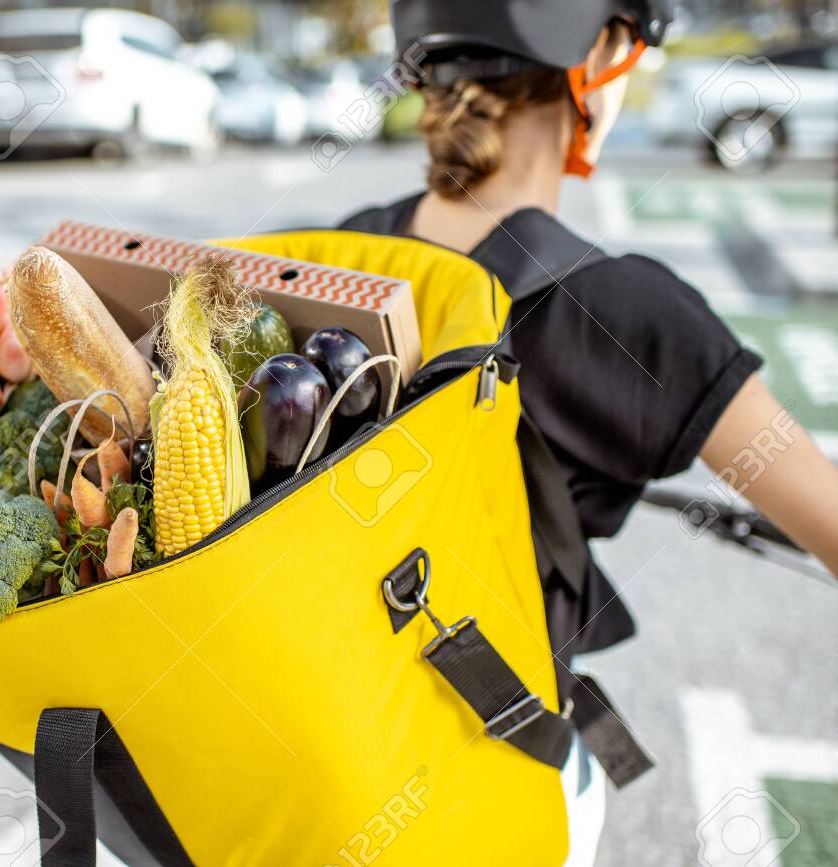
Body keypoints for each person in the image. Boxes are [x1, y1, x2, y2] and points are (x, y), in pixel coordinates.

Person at [340, 0, 838, 861]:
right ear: (599, 49)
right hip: (493, 793)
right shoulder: (627, 312)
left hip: (338, 770)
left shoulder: (349, 251)